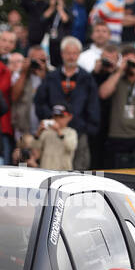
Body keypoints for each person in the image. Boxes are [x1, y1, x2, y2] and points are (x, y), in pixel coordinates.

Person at [33, 37, 99, 170]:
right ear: (62, 54)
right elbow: (39, 102)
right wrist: (53, 119)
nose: (71, 57)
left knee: (80, 175)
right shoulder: (51, 77)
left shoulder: (87, 79)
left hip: (79, 134)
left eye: (75, 53)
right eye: (68, 53)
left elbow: (93, 106)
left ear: (79, 54)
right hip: (53, 133)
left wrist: (86, 127)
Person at [97, 45, 135, 168]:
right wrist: (119, 70)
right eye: (126, 61)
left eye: (132, 61)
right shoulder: (116, 78)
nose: (129, 64)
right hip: (117, 135)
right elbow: (103, 93)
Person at [35, 105, 77, 170]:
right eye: (55, 116)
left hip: (63, 171)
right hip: (46, 169)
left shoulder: (71, 132)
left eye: (61, 116)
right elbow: (36, 150)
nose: (57, 119)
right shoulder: (46, 132)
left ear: (69, 117)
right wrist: (38, 134)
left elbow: (71, 147)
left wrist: (59, 132)